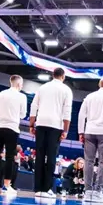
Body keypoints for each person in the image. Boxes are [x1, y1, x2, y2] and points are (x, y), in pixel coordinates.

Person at [29, 68, 73, 198]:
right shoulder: (66, 90)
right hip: (55, 125)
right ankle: (47, 188)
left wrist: (32, 124)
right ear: (63, 77)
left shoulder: (43, 88)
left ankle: (37, 189)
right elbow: (67, 111)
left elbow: (33, 105)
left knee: (40, 156)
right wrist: (65, 130)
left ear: (53, 75)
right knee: (52, 156)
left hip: (41, 123)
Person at [0, 74, 28, 195]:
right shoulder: (22, 97)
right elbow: (22, 115)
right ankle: (6, 185)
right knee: (10, 157)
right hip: (12, 128)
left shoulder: (1, 94)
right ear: (19, 84)